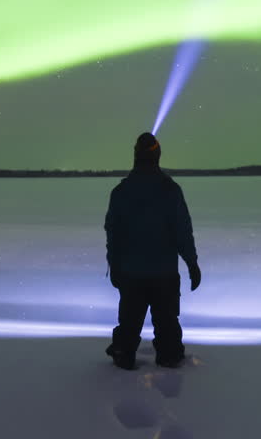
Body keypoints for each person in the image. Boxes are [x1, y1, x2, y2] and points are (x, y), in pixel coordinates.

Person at [104, 132, 201, 370]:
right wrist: (192, 263)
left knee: (129, 323)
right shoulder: (170, 190)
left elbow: (113, 235)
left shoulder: (122, 192)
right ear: (157, 155)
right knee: (167, 324)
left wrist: (114, 266)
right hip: (163, 273)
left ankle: (124, 355)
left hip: (131, 272)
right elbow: (182, 231)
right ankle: (167, 358)